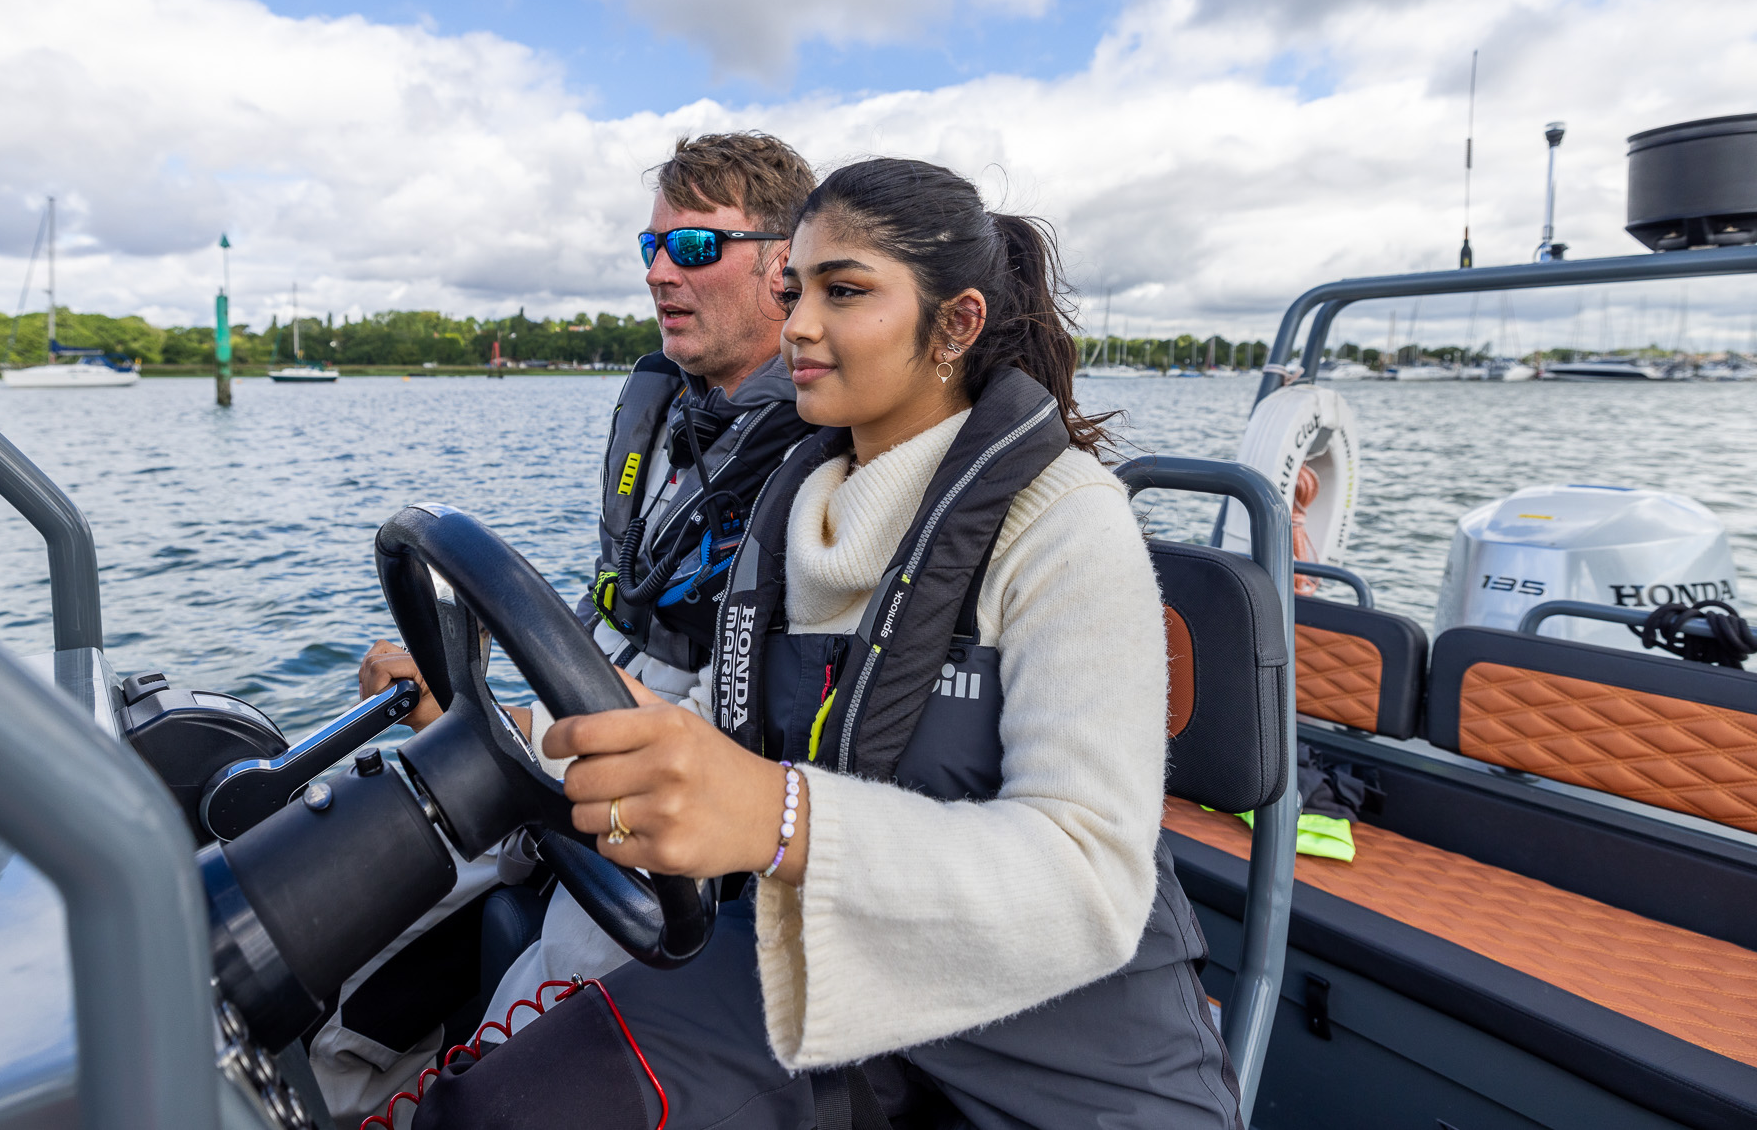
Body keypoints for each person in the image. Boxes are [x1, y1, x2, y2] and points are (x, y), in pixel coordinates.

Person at [411, 159, 1241, 1129]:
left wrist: (775, 813)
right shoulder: (795, 512)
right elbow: (723, 734)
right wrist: (531, 728)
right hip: (829, 976)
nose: (799, 322)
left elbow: (1085, 878)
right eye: (797, 288)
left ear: (954, 324)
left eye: (842, 292)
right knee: (495, 1109)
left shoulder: (1065, 525)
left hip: (1056, 1047)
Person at [313, 133, 821, 1123]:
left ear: (782, 266)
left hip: (682, 807)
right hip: (580, 730)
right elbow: (606, 629)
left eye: (697, 249)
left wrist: (506, 729)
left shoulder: (816, 462)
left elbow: (712, 732)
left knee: (550, 992)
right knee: (353, 868)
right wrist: (481, 708)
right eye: (651, 248)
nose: (660, 273)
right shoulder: (673, 425)